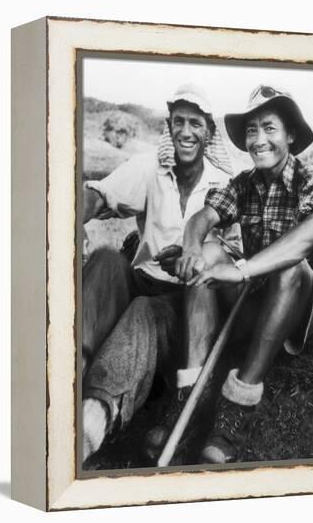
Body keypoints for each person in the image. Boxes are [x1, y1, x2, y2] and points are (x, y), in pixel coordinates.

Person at [174, 84, 313, 464]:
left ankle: (238, 405)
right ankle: (190, 396)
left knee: (290, 266)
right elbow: (203, 217)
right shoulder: (242, 184)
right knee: (209, 253)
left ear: (290, 136)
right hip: (261, 298)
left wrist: (241, 270)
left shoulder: (309, 180)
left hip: (303, 310)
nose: (258, 140)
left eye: (269, 128)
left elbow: (308, 237)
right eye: (251, 130)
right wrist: (193, 245)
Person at [82, 84, 241, 463]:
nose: (186, 132)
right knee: (106, 260)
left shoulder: (223, 184)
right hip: (143, 278)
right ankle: (71, 367)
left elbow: (236, 252)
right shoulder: (152, 167)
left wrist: (198, 255)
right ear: (169, 127)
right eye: (179, 122)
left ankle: (92, 419)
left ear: (209, 133)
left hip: (185, 302)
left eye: (196, 124)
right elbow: (100, 195)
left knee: (144, 312)